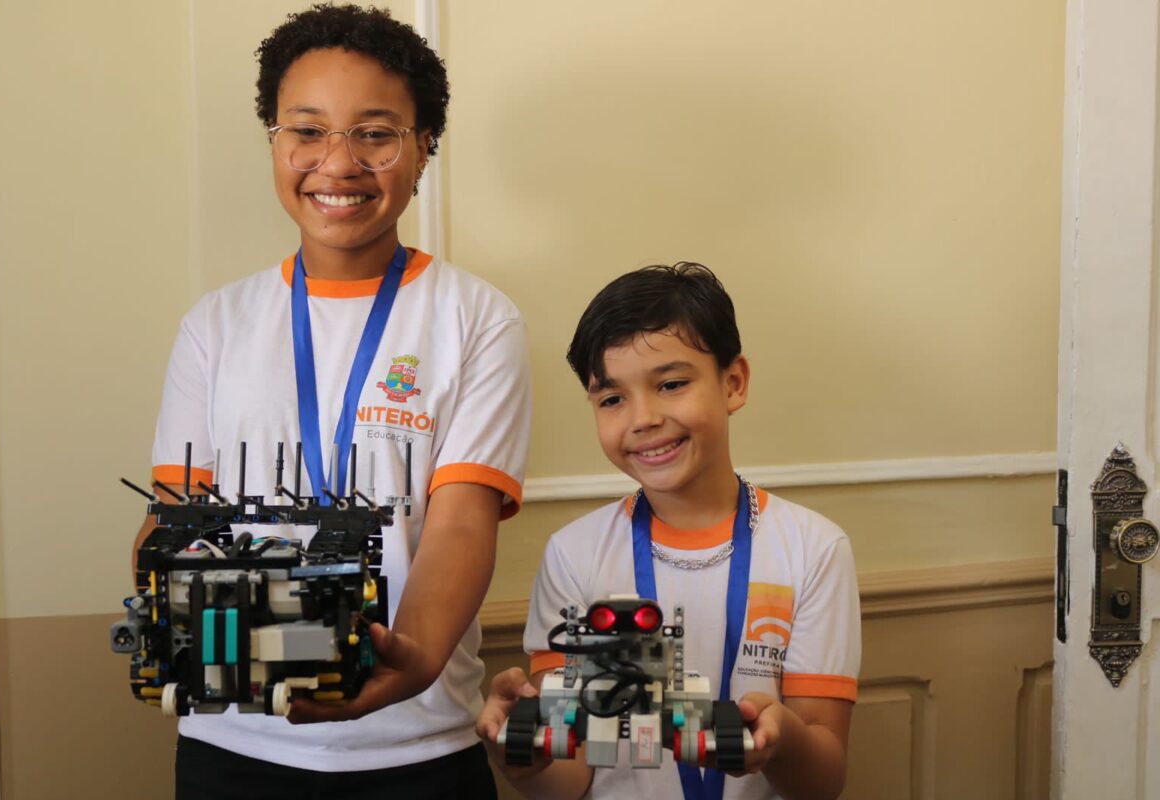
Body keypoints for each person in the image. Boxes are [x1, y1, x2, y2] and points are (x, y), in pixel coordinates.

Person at [135, 5, 529, 797]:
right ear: (275, 143)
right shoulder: (216, 325)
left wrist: (410, 659)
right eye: (306, 131)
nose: (338, 163)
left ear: (424, 150)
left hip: (418, 744)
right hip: (233, 739)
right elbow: (175, 517)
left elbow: (459, 521)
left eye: (376, 134)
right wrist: (173, 602)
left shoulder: (476, 317)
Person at [477, 264, 859, 800]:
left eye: (672, 384)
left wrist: (782, 738)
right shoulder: (574, 554)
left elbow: (822, 781)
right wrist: (520, 755)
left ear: (733, 382)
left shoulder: (813, 549)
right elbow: (566, 780)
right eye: (612, 399)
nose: (644, 418)